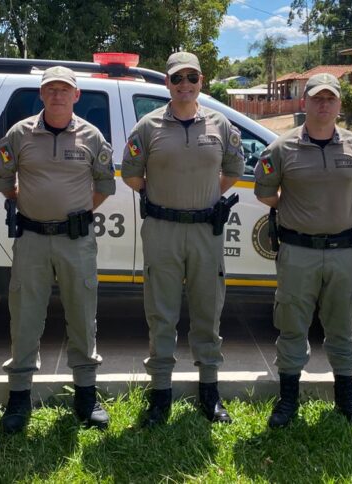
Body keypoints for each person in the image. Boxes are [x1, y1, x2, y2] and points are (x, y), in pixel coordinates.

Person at [122, 52, 245, 426]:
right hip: (163, 230)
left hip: (206, 231)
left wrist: (204, 197)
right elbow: (132, 175)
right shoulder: (148, 126)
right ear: (167, 84)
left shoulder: (220, 125)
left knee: (208, 310)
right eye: (178, 78)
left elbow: (233, 170)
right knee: (161, 312)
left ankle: (209, 390)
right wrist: (167, 199)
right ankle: (160, 393)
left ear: (201, 81)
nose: (185, 84)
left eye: (192, 77)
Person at [0, 66, 115, 432]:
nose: (58, 95)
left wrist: (75, 212)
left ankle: (86, 395)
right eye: (51, 89)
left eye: (65, 89)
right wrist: (33, 205)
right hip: (31, 239)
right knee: (25, 316)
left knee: (82, 314)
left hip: (76, 241)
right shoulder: (19, 134)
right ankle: (18, 397)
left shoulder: (92, 137)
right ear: (41, 95)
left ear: (77, 95)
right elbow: (3, 182)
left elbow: (104, 187)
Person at [254, 73, 352, 427]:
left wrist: (333, 213)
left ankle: (347, 400)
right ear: (304, 102)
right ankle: (288, 400)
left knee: (341, 327)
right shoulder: (281, 149)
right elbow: (266, 194)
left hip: (344, 252)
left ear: (339, 104)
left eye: (330, 99)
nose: (323, 105)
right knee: (292, 325)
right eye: (317, 98)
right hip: (298, 252)